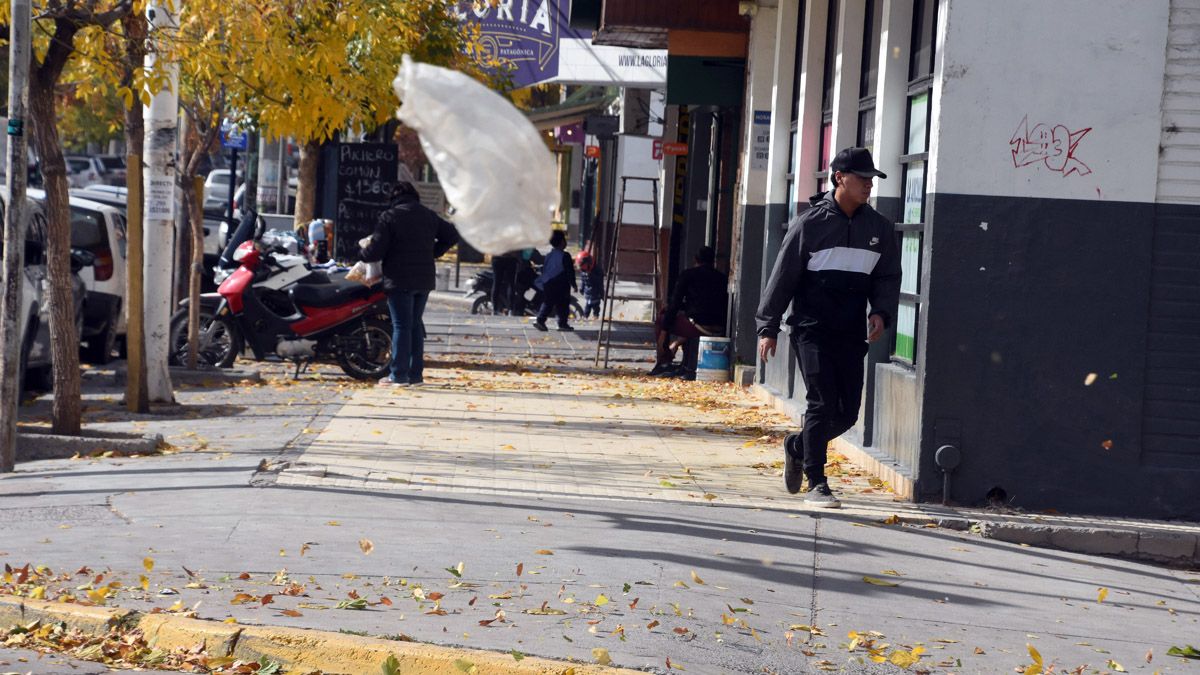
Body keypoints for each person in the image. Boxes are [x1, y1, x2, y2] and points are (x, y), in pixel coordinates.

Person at [755, 147, 901, 508]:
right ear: (840, 178)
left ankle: (796, 445)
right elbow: (783, 276)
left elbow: (887, 276)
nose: (869, 185)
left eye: (872, 180)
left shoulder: (878, 228)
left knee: (847, 412)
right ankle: (817, 482)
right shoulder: (811, 223)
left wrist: (881, 312)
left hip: (850, 332)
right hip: (811, 329)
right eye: (863, 179)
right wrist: (767, 327)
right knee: (820, 403)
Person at [361, 181, 459, 386]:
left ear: (393, 199)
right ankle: (416, 375)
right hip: (423, 279)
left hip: (399, 278)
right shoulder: (428, 215)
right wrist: (434, 252)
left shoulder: (390, 217)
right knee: (413, 325)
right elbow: (452, 234)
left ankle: (398, 375)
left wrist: (362, 252)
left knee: (401, 326)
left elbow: (376, 250)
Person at [649, 246, 728, 380]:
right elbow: (707, 303)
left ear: (696, 259)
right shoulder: (722, 278)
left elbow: (675, 304)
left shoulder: (688, 275)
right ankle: (684, 363)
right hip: (719, 326)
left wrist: (664, 333)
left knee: (663, 318)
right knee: (688, 320)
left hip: (698, 325)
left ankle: (664, 361)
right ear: (713, 261)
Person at [533, 230, 577, 332]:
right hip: (561, 284)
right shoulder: (565, 256)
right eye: (564, 240)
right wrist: (573, 284)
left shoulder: (549, 255)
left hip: (548, 283)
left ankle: (540, 320)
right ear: (562, 242)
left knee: (548, 302)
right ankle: (562, 323)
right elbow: (570, 271)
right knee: (563, 304)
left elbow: (545, 268)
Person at [512, 247, 544, 315]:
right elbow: (538, 259)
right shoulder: (527, 246)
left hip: (515, 272)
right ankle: (533, 307)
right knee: (540, 287)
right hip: (521, 273)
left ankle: (524, 307)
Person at [576, 249, 603, 319]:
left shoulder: (597, 270)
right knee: (587, 307)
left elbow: (599, 282)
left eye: (583, 265)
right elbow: (583, 281)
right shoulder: (583, 271)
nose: (582, 268)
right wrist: (582, 288)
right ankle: (585, 317)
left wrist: (602, 294)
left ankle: (595, 316)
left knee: (596, 307)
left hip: (596, 293)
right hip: (588, 293)